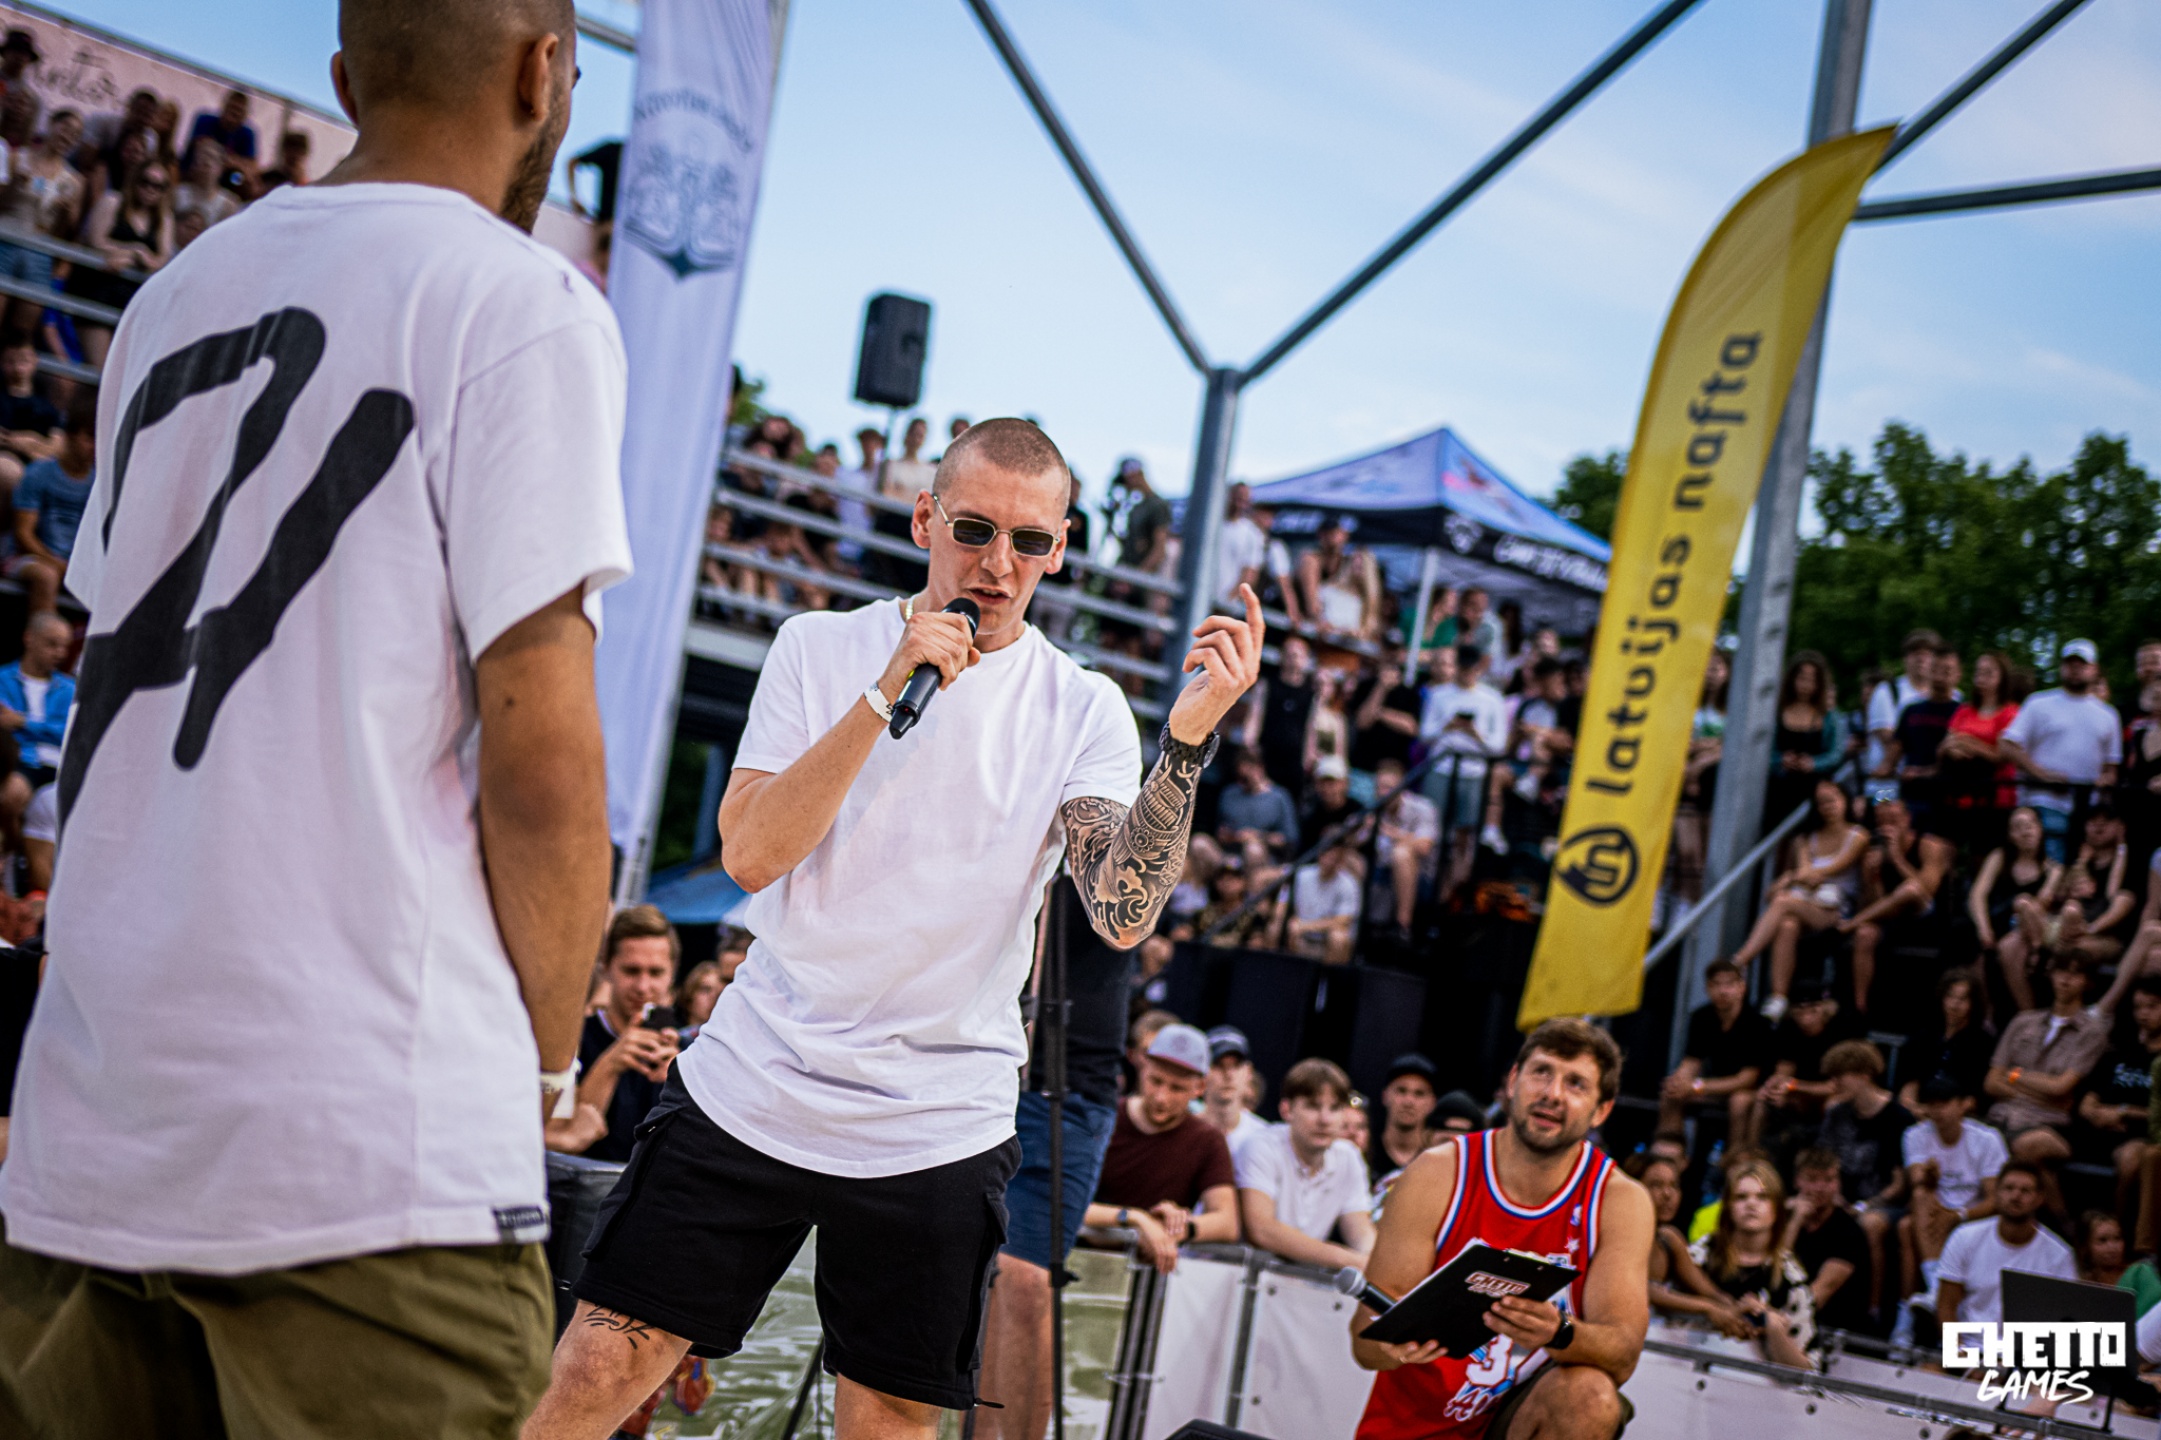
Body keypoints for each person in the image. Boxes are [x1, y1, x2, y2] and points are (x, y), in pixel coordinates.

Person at [0, 5, 628, 1434]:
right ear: (544, 70)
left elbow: (111, 677)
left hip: (99, 1111)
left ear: (344, 78)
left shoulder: (170, 298)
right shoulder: (522, 302)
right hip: (362, 1139)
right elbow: (543, 764)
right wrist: (543, 1069)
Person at [530, 416, 1268, 1439]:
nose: (998, 564)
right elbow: (750, 855)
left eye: (1031, 541)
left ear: (1060, 549)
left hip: (937, 1117)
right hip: (759, 1076)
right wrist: (883, 693)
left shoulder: (1083, 706)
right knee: (603, 1361)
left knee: (887, 1419)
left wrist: (1183, 747)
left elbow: (1118, 910)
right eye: (974, 530)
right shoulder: (818, 646)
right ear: (925, 519)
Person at [1354, 1020, 1650, 1439]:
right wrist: (1390, 1343)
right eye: (1541, 1072)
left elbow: (1623, 1354)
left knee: (1591, 1396)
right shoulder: (1438, 1172)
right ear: (1513, 1082)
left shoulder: (1619, 1200)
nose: (1552, 1094)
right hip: (1411, 1426)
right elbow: (1363, 1344)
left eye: (1576, 1084)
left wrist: (1558, 1331)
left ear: (1601, 1110)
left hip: (1516, 1421)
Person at [981, 873, 1149, 1440]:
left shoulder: (1107, 832)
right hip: (978, 1073)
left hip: (1070, 1091)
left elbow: (1131, 905)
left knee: (1023, 1278)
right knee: (967, 1280)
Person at [1081, 1023, 1241, 1276]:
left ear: (1200, 1087)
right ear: (1142, 1066)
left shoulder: (1207, 1140)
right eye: (1155, 1081)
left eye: (1177, 1088)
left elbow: (1227, 1221)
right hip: (1081, 1263)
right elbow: (1064, 1200)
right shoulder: (1103, 1118)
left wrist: (1177, 1227)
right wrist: (1137, 1219)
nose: (1161, 1097)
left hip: (1149, 1278)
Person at [1731, 777, 1865, 1020]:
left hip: (1835, 911)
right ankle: (1779, 997)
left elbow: (1828, 869)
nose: (1828, 807)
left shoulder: (1858, 836)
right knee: (1787, 925)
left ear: (1845, 800)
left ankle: (1741, 961)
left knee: (1782, 901)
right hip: (1805, 904)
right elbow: (1804, 873)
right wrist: (1797, 877)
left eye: (1833, 800)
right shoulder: (1804, 839)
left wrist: (1791, 878)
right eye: (1822, 802)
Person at [1238, 1058, 1376, 1270]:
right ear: (1286, 1110)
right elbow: (1262, 1230)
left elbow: (1361, 1234)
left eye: (1335, 1108)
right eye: (1313, 1106)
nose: (1325, 1119)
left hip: (1296, 1282)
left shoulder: (1349, 1157)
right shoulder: (1260, 1145)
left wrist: (1375, 1263)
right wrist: (1349, 1260)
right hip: (1235, 1276)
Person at [2001, 639, 2122, 862]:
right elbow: (2008, 744)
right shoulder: (2038, 703)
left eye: (2081, 665)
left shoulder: (2108, 715)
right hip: (2042, 801)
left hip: (2087, 810)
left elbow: (2111, 766)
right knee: (2050, 862)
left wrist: (2104, 782)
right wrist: (2042, 774)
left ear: (2094, 669)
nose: (2075, 669)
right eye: (2070, 664)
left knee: (2077, 867)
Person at [1688, 1157, 1816, 1367]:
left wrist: (1772, 1325)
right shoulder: (1700, 1255)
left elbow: (1807, 1369)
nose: (1751, 1204)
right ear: (1728, 1206)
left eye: (1762, 1197)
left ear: (1777, 1208)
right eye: (1741, 1197)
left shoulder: (1791, 1277)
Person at [1897, 1076, 2008, 1314]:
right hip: (1933, 1211)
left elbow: (1996, 1199)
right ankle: (1932, 1289)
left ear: (1963, 1104)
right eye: (1932, 1104)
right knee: (1915, 1206)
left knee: (1908, 1226)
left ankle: (1930, 1297)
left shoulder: (1987, 1139)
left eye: (1944, 1104)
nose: (1937, 1111)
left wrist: (1958, 1216)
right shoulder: (1915, 1134)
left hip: (1972, 1214)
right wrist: (1930, 1177)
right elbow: (1917, 1181)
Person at [1985, 951, 2108, 1165]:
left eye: (2075, 974)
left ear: (2087, 982)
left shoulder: (2091, 1032)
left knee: (2028, 1145)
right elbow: (1991, 1082)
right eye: (2061, 971)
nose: (2065, 979)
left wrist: (2013, 1075)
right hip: (2000, 1116)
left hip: (2048, 1123)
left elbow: (2060, 1087)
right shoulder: (2023, 1022)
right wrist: (2039, 1091)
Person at [1839, 797, 1956, 1014]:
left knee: (1909, 890)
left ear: (1907, 819)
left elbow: (1925, 890)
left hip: (1925, 917)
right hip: (1891, 919)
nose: (1888, 827)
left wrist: (1897, 858)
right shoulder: (1874, 851)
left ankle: (1851, 924)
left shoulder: (1929, 845)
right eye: (1882, 821)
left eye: (1893, 820)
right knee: (1865, 934)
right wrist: (1873, 877)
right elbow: (1873, 904)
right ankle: (1859, 1006)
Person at [1624, 1152, 1752, 1336]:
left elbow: (1707, 1290)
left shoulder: (1668, 1239)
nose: (1667, 1194)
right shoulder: (1619, 1235)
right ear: (1633, 1188)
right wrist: (1707, 1308)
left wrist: (1740, 1311)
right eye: (1656, 1185)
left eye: (1674, 1185)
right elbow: (1642, 1289)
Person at [1935, 1160, 2077, 1326]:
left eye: (2025, 1191)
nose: (2015, 1196)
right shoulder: (1964, 1237)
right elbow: (1946, 1306)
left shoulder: (2060, 1255)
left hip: (2027, 1343)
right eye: (2009, 1188)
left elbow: (2065, 1320)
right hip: (1971, 1340)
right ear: (1996, 1193)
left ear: (2039, 1198)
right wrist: (1956, 1343)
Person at [2072, 975, 2161, 1233]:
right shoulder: (2120, 1050)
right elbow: (2087, 1101)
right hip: (2101, 1131)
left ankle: (2117, 1231)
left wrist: (2123, 1112)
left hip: (2143, 1137)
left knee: (2132, 1158)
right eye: (2138, 1007)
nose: (2143, 1014)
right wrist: (2096, 1113)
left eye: (2152, 1006)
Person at [1658, 959, 1770, 1139]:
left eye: (1729, 984)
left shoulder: (1757, 1023)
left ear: (1741, 987)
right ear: (1707, 988)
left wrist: (1696, 1086)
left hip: (1749, 1089)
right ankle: (1669, 1149)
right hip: (1714, 1085)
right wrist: (1678, 1081)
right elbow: (1692, 1060)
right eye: (1716, 984)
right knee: (1671, 1094)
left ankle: (1736, 1153)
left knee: (1739, 1101)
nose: (1723, 991)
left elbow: (1747, 1079)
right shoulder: (1702, 1017)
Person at [1741, 982, 1843, 1154]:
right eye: (1800, 1011)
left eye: (1813, 1010)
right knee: (1763, 1097)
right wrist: (1775, 1088)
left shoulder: (1839, 1031)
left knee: (1834, 1104)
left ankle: (1824, 1158)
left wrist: (1794, 1086)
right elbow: (1783, 1072)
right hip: (1799, 1094)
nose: (1806, 1018)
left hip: (1830, 1094)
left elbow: (1837, 1086)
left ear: (1826, 1008)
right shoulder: (1789, 1030)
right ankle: (1752, 1154)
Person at [9, 406, 93, 615]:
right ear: (70, 436)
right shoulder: (38, 473)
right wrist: (59, 565)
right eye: (89, 437)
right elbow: (23, 535)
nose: (94, 446)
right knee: (46, 576)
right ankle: (44, 632)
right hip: (30, 559)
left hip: (76, 567)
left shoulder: (100, 485)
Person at [1976, 807, 2061, 1012]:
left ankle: (2027, 1012)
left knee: (2013, 942)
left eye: (2030, 825)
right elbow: (1978, 894)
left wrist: (2025, 908)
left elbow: (2042, 905)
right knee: (1987, 954)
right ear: (2010, 834)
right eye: (2018, 827)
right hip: (1998, 923)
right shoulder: (1999, 857)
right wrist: (1983, 928)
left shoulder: (2053, 869)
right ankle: (1994, 1014)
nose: (2025, 832)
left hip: (2029, 928)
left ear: (2040, 830)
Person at [1786, 1147, 1872, 1338]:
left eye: (1828, 1180)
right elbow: (1771, 1271)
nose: (1820, 1188)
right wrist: (1795, 1222)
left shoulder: (1848, 1232)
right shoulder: (1785, 1220)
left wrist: (1775, 1321)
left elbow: (1818, 1296)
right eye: (1812, 1179)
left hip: (1834, 1330)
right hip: (1786, 1319)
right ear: (1797, 1181)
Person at [1897, 969, 1994, 1112]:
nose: (1954, 1005)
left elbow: (1976, 1097)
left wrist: (1945, 1113)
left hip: (1960, 1114)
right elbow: (1910, 1084)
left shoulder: (1983, 1043)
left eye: (1962, 999)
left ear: (1973, 1003)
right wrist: (1915, 1108)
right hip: (1920, 1110)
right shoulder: (1924, 1036)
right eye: (1950, 996)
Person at [1766, 650, 1846, 823]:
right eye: (1802, 678)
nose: (1806, 685)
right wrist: (1781, 759)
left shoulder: (1830, 717)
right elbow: (1763, 753)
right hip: (1779, 788)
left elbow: (1836, 753)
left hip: (1815, 789)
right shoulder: (1775, 714)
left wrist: (1813, 763)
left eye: (1812, 680)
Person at [0, 612, 74, 784]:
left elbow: (71, 735)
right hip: (15, 761)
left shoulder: (70, 689)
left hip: (59, 769)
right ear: (29, 638)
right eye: (52, 644)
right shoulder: (2, 679)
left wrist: (22, 722)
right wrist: (48, 729)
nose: (60, 653)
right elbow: (4, 725)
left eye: (65, 647)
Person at [1865, 631, 1939, 802]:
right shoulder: (1887, 691)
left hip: (1930, 787)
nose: (1921, 659)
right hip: (1887, 789)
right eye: (1915, 653)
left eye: (1927, 653)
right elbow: (1887, 738)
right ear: (1905, 658)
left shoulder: (1953, 696)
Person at [1372, 755, 1439, 935]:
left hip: (1420, 875)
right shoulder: (1373, 810)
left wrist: (1392, 833)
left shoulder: (1423, 808)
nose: (1382, 793)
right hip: (1381, 869)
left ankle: (1403, 925)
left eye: (1388, 787)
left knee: (1401, 853)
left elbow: (1424, 847)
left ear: (1402, 788)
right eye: (1379, 787)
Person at [1198, 1026, 1275, 1164]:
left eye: (1236, 1066)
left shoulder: (1265, 1138)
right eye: (1219, 1065)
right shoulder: (1183, 1132)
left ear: (1248, 1072)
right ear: (1202, 1072)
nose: (1229, 1075)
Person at [1216, 745, 1299, 873]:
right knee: (1199, 843)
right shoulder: (1229, 794)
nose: (1241, 783)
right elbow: (1220, 832)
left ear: (1259, 769)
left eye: (1246, 778)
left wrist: (1256, 836)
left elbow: (1288, 839)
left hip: (1264, 856)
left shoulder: (1279, 797)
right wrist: (1230, 836)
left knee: (1252, 849)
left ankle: (1253, 885)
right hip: (1229, 854)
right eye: (1240, 777)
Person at [1369, 1053, 1441, 1197]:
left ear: (1432, 1103)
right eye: (1401, 1091)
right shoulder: (1364, 1152)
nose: (1409, 1101)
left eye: (1419, 1094)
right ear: (1385, 1096)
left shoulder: (1437, 1161)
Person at [1285, 838, 1363, 966]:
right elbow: (1284, 900)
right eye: (1328, 856)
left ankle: (1330, 978)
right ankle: (1289, 971)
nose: (1330, 861)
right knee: (1280, 925)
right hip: (1302, 934)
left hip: (1326, 938)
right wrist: (1290, 919)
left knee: (1338, 938)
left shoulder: (1349, 883)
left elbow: (1343, 921)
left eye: (1336, 858)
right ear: (1320, 855)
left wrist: (1305, 926)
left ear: (1341, 861)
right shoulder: (1302, 874)